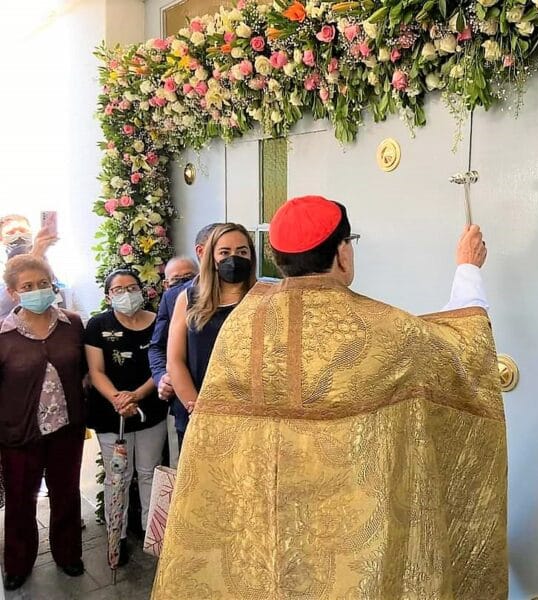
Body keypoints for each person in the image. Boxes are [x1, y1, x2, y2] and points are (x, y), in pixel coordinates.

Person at [151, 196, 508, 599]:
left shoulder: (245, 321)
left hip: (261, 528)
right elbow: (461, 350)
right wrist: (467, 268)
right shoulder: (382, 329)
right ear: (342, 252)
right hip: (345, 540)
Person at [0, 255, 86, 591]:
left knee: (66, 493)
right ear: (13, 292)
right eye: (27, 287)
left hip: (67, 428)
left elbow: (84, 372)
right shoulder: (3, 335)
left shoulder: (73, 324)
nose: (37, 290)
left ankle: (68, 555)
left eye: (43, 284)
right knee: (21, 499)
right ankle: (18, 563)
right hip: (18, 434)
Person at [84, 269, 167, 566]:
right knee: (118, 476)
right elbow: (96, 371)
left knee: (149, 472)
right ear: (108, 296)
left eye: (131, 287)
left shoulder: (158, 320)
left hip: (150, 411)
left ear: (142, 290)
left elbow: (163, 365)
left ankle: (152, 531)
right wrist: (119, 399)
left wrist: (137, 395)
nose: (126, 293)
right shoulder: (97, 325)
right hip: (111, 415)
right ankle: (116, 538)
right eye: (118, 289)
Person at [166, 223, 256, 449]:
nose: (234, 258)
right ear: (211, 258)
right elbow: (175, 360)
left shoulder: (264, 298)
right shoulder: (188, 298)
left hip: (250, 418)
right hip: (199, 415)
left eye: (242, 252)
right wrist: (196, 408)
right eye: (225, 252)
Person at [149, 223, 219, 464]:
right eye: (221, 250)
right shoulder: (177, 297)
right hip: (189, 404)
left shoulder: (250, 295)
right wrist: (162, 377)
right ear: (202, 252)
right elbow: (158, 347)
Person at [0, 214, 58, 319]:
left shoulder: (45, 259)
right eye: (11, 232)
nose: (18, 235)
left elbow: (54, 291)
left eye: (23, 230)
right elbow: (5, 302)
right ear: (1, 238)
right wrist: (35, 255)